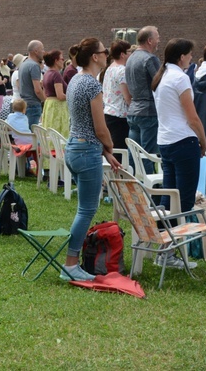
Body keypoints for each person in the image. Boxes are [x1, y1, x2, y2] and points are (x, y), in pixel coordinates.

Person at [61, 38, 122, 281]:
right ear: (95, 57)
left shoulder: (76, 79)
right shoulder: (92, 86)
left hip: (75, 148)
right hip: (86, 152)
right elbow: (100, 127)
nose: (106, 54)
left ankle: (73, 261)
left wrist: (105, 151)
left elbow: (83, 123)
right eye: (103, 52)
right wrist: (109, 146)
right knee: (86, 210)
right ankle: (71, 263)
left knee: (83, 209)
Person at [151, 39, 206, 241]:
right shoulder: (179, 78)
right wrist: (204, 140)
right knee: (183, 199)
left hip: (166, 140)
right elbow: (192, 117)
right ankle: (172, 248)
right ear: (182, 56)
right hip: (183, 140)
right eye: (190, 54)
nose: (191, 58)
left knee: (169, 197)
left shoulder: (162, 76)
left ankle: (163, 241)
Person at [125, 26, 161, 172]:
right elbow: (160, 82)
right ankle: (151, 191)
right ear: (150, 40)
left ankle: (133, 187)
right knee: (148, 155)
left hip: (133, 110)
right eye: (158, 37)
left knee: (134, 155)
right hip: (148, 111)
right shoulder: (150, 58)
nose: (159, 40)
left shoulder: (131, 58)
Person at [102, 39, 132, 157]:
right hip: (120, 116)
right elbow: (127, 97)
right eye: (129, 51)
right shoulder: (122, 70)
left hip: (108, 112)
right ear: (122, 54)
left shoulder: (109, 68)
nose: (131, 54)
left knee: (114, 150)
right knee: (121, 152)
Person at [40, 49, 69, 137]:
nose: (63, 61)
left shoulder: (47, 73)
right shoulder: (56, 74)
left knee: (50, 131)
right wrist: (72, 96)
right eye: (62, 59)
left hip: (49, 105)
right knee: (59, 134)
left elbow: (45, 94)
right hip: (58, 107)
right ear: (56, 61)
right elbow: (60, 96)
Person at [19, 40, 46, 128]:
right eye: (42, 49)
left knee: (26, 132)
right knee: (33, 135)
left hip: (24, 103)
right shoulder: (34, 66)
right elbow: (37, 90)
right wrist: (45, 100)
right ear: (36, 51)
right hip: (33, 105)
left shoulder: (23, 64)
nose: (43, 52)